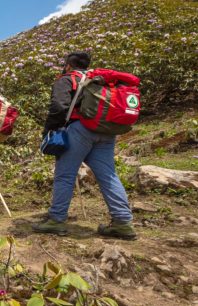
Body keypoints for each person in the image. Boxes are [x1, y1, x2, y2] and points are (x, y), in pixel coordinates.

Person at [32, 51, 136, 240]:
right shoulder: (99, 80)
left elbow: (58, 106)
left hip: (80, 130)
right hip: (106, 131)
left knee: (65, 176)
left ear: (68, 65)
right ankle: (123, 222)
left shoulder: (67, 79)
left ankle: (56, 220)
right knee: (108, 175)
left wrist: (48, 132)